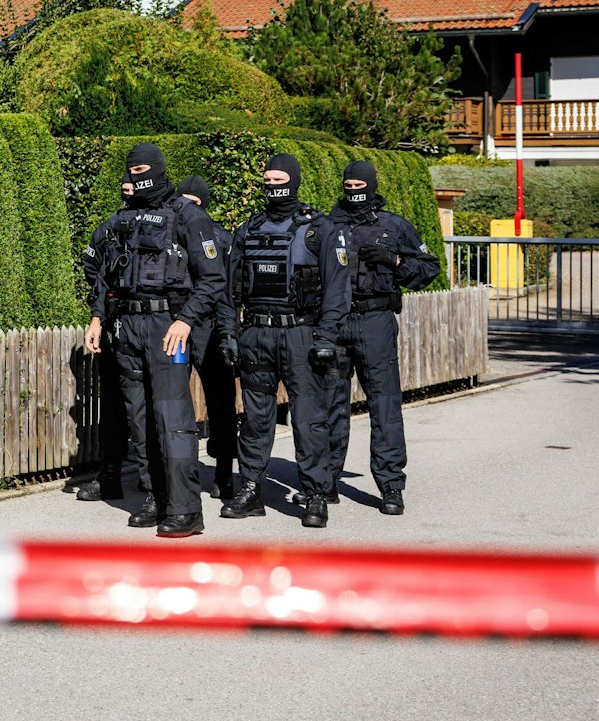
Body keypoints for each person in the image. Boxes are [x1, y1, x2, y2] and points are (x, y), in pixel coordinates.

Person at [82, 143, 225, 538]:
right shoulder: (122, 219)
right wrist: (97, 317)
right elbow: (106, 277)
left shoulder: (188, 216)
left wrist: (186, 321)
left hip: (169, 327)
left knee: (172, 418)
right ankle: (155, 498)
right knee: (139, 420)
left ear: (159, 168)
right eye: (131, 169)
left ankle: (185, 510)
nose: (135, 174)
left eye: (142, 167)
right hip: (127, 327)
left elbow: (213, 279)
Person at [221, 154, 351, 528]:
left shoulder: (320, 229)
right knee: (256, 420)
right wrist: (230, 333)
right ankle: (251, 490)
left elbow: (337, 290)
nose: (273, 185)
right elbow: (230, 291)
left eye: (280, 178)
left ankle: (315, 495)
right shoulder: (248, 230)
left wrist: (326, 336)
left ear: (293, 181)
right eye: (268, 179)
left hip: (301, 335)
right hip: (256, 334)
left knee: (309, 421)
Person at [325, 159, 440, 515]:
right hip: (335, 322)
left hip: (375, 321)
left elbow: (428, 268)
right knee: (329, 405)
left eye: (361, 187)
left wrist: (394, 261)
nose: (354, 193)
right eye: (349, 187)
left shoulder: (394, 226)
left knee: (384, 406)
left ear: (372, 187)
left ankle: (391, 485)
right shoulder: (328, 225)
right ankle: (324, 482)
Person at [68, 181, 133, 503]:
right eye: (125, 185)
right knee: (111, 407)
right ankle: (110, 475)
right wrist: (102, 308)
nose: (129, 190)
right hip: (113, 326)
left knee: (153, 409)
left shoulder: (172, 222)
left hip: (154, 327)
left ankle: (157, 482)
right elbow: (94, 270)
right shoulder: (108, 229)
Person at [177, 175, 240, 499]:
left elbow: (225, 291)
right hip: (188, 324)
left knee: (218, 401)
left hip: (207, 325)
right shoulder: (216, 236)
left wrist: (228, 331)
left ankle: (224, 472)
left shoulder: (217, 239)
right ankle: (216, 475)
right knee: (185, 401)